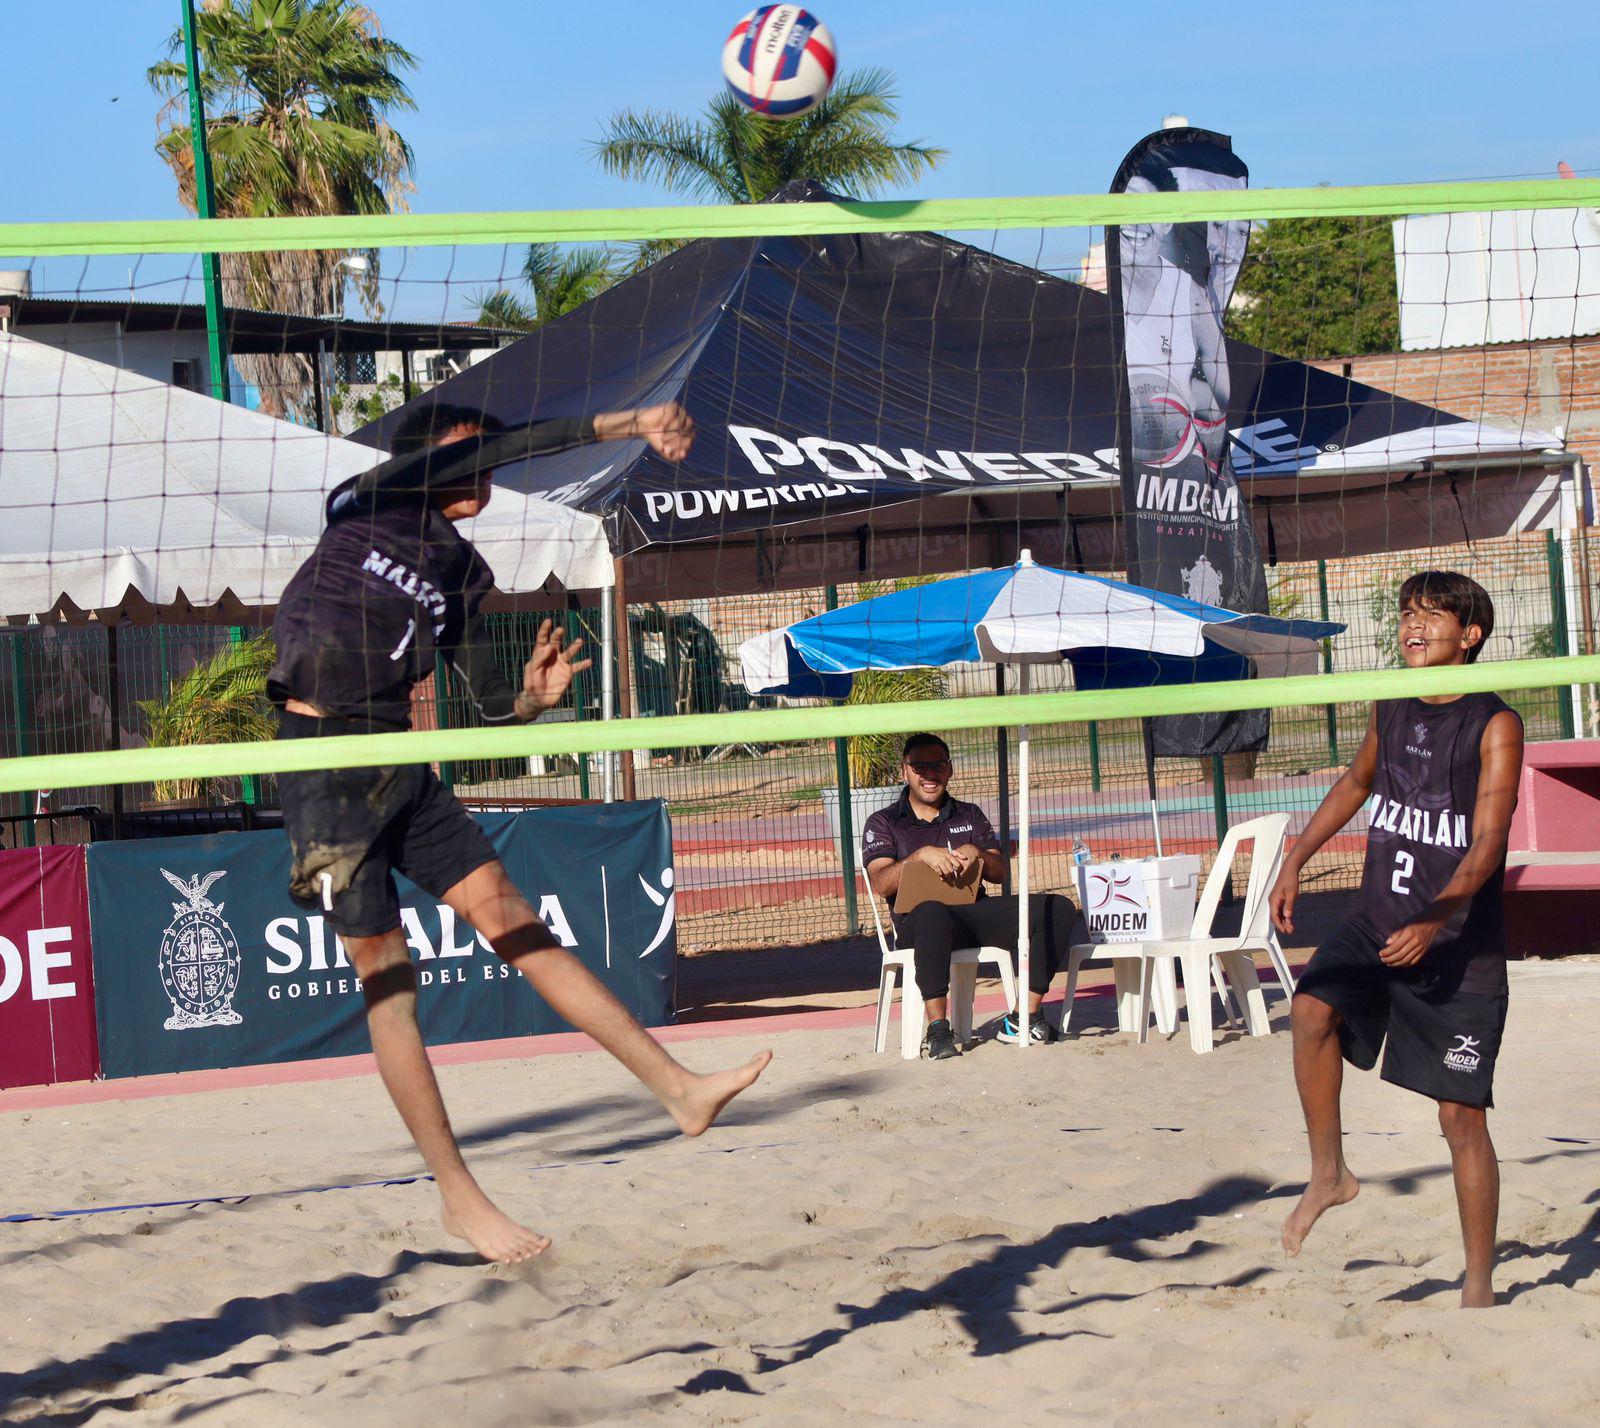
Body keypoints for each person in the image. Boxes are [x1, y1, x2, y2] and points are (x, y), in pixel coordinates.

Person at [268, 399, 770, 1265]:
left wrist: (528, 703)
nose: (493, 469)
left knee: (512, 915)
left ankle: (677, 1088)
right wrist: (632, 422)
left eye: (492, 456)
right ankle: (460, 1199)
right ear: (425, 462)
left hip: (398, 757)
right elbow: (532, 435)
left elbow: (482, 702)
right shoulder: (371, 497)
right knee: (388, 977)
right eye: (477, 455)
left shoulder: (463, 569)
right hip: (322, 756)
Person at [1269, 571, 1523, 1307]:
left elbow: (1488, 844)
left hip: (1457, 945)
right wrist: (1296, 856)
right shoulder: (1391, 700)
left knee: (1460, 1120)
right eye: (1406, 614)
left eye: (1430, 615)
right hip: (1376, 919)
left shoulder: (1495, 722)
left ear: (1469, 635)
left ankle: (1478, 1285)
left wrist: (1437, 916)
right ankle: (1330, 1173)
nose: (1412, 626)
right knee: (1311, 1010)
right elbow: (1357, 781)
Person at [861, 733, 1077, 1058]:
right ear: (904, 771)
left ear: (949, 769)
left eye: (937, 765)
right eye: (919, 766)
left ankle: (1025, 1016)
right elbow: (880, 883)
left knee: (1056, 908)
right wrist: (919, 857)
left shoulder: (969, 814)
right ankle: (937, 1031)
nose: (929, 774)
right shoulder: (884, 822)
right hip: (917, 924)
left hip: (974, 915)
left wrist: (977, 853)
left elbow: (1000, 871)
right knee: (932, 911)